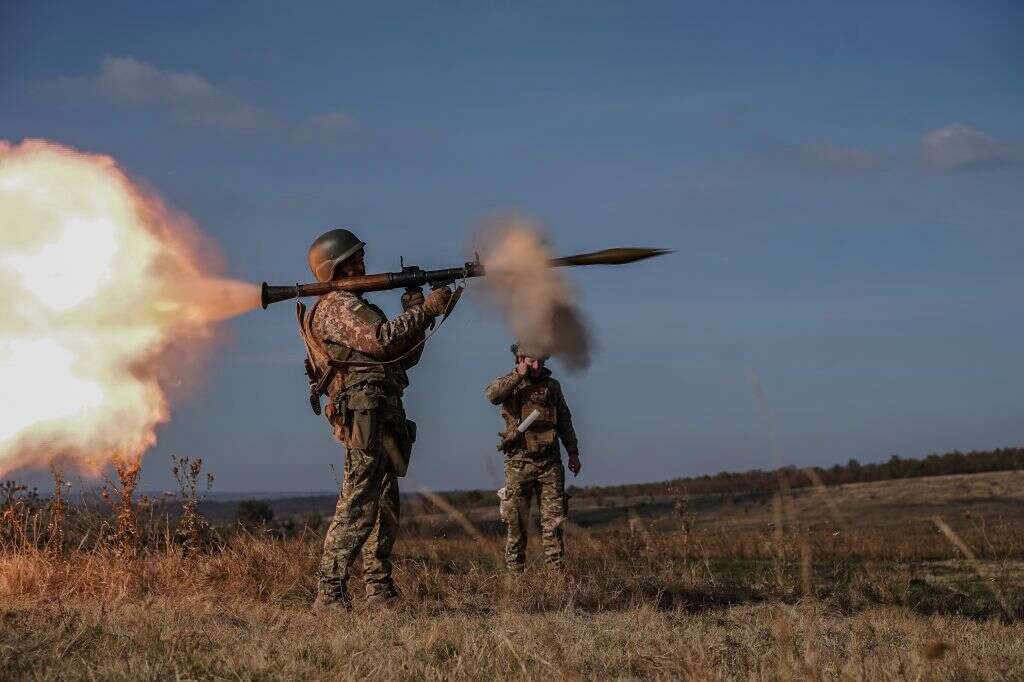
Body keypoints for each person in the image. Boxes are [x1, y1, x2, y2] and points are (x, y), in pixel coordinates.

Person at [299, 228, 455, 609]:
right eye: (354, 259)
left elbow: (401, 357)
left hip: (383, 408)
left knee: (384, 505)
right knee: (357, 500)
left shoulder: (359, 307)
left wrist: (416, 311)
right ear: (336, 268)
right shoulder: (336, 306)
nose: (363, 264)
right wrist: (425, 310)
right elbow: (380, 339)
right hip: (363, 411)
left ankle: (378, 589)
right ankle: (330, 590)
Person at [484, 342, 581, 573]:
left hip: (550, 464)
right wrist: (519, 376)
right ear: (520, 360)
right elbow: (492, 395)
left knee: (554, 525)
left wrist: (573, 452)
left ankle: (556, 581)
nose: (537, 366)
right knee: (516, 525)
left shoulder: (552, 387)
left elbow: (565, 421)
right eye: (531, 361)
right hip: (519, 463)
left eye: (540, 361)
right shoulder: (510, 384)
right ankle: (516, 583)